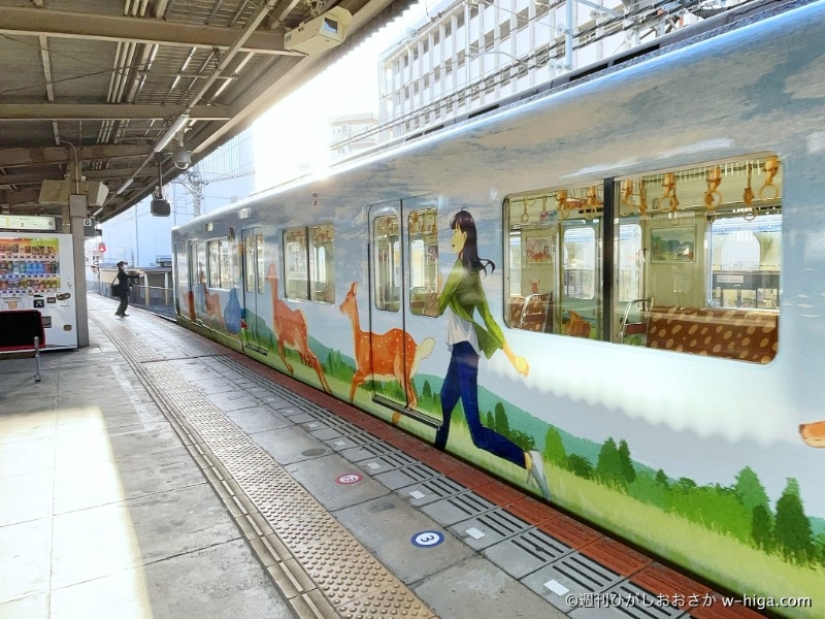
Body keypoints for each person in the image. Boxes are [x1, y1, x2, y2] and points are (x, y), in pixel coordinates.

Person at [432, 209, 551, 500]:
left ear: (466, 236)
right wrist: (513, 357)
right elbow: (487, 317)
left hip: (465, 353)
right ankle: (434, 459)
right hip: (461, 350)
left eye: (457, 231)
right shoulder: (468, 272)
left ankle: (527, 458)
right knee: (446, 404)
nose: (453, 236)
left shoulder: (460, 272)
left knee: (477, 434)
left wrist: (434, 265)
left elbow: (438, 305)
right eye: (452, 230)